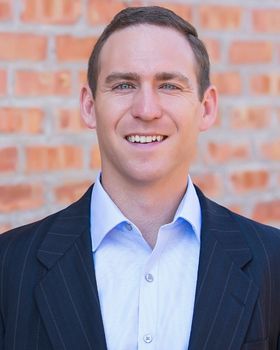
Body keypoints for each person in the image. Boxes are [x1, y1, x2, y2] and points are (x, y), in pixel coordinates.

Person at [0, 6, 279, 350]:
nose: (146, 109)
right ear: (89, 106)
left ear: (206, 108)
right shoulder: (8, 266)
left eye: (169, 85)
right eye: (124, 84)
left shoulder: (273, 261)